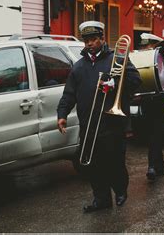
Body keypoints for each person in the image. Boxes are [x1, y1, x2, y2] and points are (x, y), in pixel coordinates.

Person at [57, 21, 141, 213]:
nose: (90, 44)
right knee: (92, 164)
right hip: (89, 123)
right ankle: (101, 199)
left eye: (94, 39)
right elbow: (69, 94)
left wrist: (116, 81)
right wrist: (62, 114)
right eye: (86, 40)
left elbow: (136, 80)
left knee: (114, 161)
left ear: (102, 39)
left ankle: (120, 190)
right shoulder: (78, 67)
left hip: (112, 122)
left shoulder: (116, 59)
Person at [138, 33, 164, 181]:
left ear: (155, 46)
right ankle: (160, 165)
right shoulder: (139, 60)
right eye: (143, 46)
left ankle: (151, 166)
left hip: (159, 100)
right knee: (151, 134)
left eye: (148, 46)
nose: (145, 49)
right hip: (145, 100)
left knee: (155, 133)